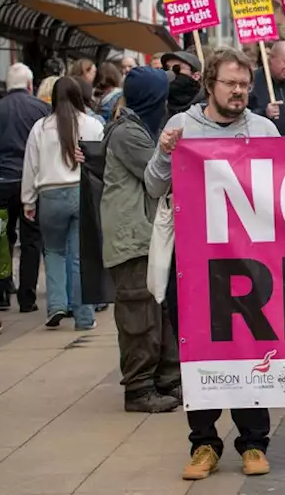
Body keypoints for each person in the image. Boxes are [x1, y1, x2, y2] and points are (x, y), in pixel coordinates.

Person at [145, 48, 277, 480]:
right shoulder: (180, 127)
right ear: (210, 85)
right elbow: (153, 184)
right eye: (230, 84)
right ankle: (203, 443)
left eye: (244, 85)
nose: (238, 92)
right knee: (198, 349)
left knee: (250, 349)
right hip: (195, 263)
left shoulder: (263, 129)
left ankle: (254, 443)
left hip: (250, 264)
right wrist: (166, 152)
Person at [100, 66, 180, 413]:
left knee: (157, 310)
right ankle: (139, 387)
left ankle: (165, 379)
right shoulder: (128, 134)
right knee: (139, 315)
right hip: (131, 238)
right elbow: (157, 171)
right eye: (163, 96)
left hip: (144, 235)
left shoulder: (138, 127)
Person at [22, 77, 103, 330]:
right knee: (81, 257)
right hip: (81, 192)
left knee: (54, 252)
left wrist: (28, 200)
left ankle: (57, 305)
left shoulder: (40, 128)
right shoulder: (91, 124)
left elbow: (31, 166)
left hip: (50, 194)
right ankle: (84, 317)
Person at [0, 63, 50, 312]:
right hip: (31, 181)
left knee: (3, 236)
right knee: (31, 238)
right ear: (30, 85)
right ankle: (27, 298)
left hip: (2, 182)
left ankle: (3, 289)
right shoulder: (41, 108)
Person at [247, 39, 285, 136]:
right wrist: (264, 113)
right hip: (264, 146)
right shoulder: (251, 83)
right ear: (272, 59)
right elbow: (241, 118)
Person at [162, 51, 203, 121]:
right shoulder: (161, 109)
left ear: (196, 76)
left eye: (177, 68)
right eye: (167, 69)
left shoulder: (208, 108)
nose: (170, 73)